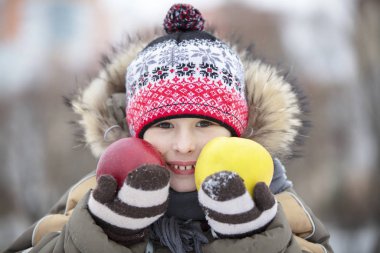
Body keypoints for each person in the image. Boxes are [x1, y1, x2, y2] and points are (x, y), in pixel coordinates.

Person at [5, 4, 333, 253]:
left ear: (236, 132)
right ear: (137, 133)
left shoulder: (273, 200)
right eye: (164, 125)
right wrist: (105, 234)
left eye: (204, 123)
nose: (184, 144)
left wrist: (257, 239)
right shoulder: (94, 198)